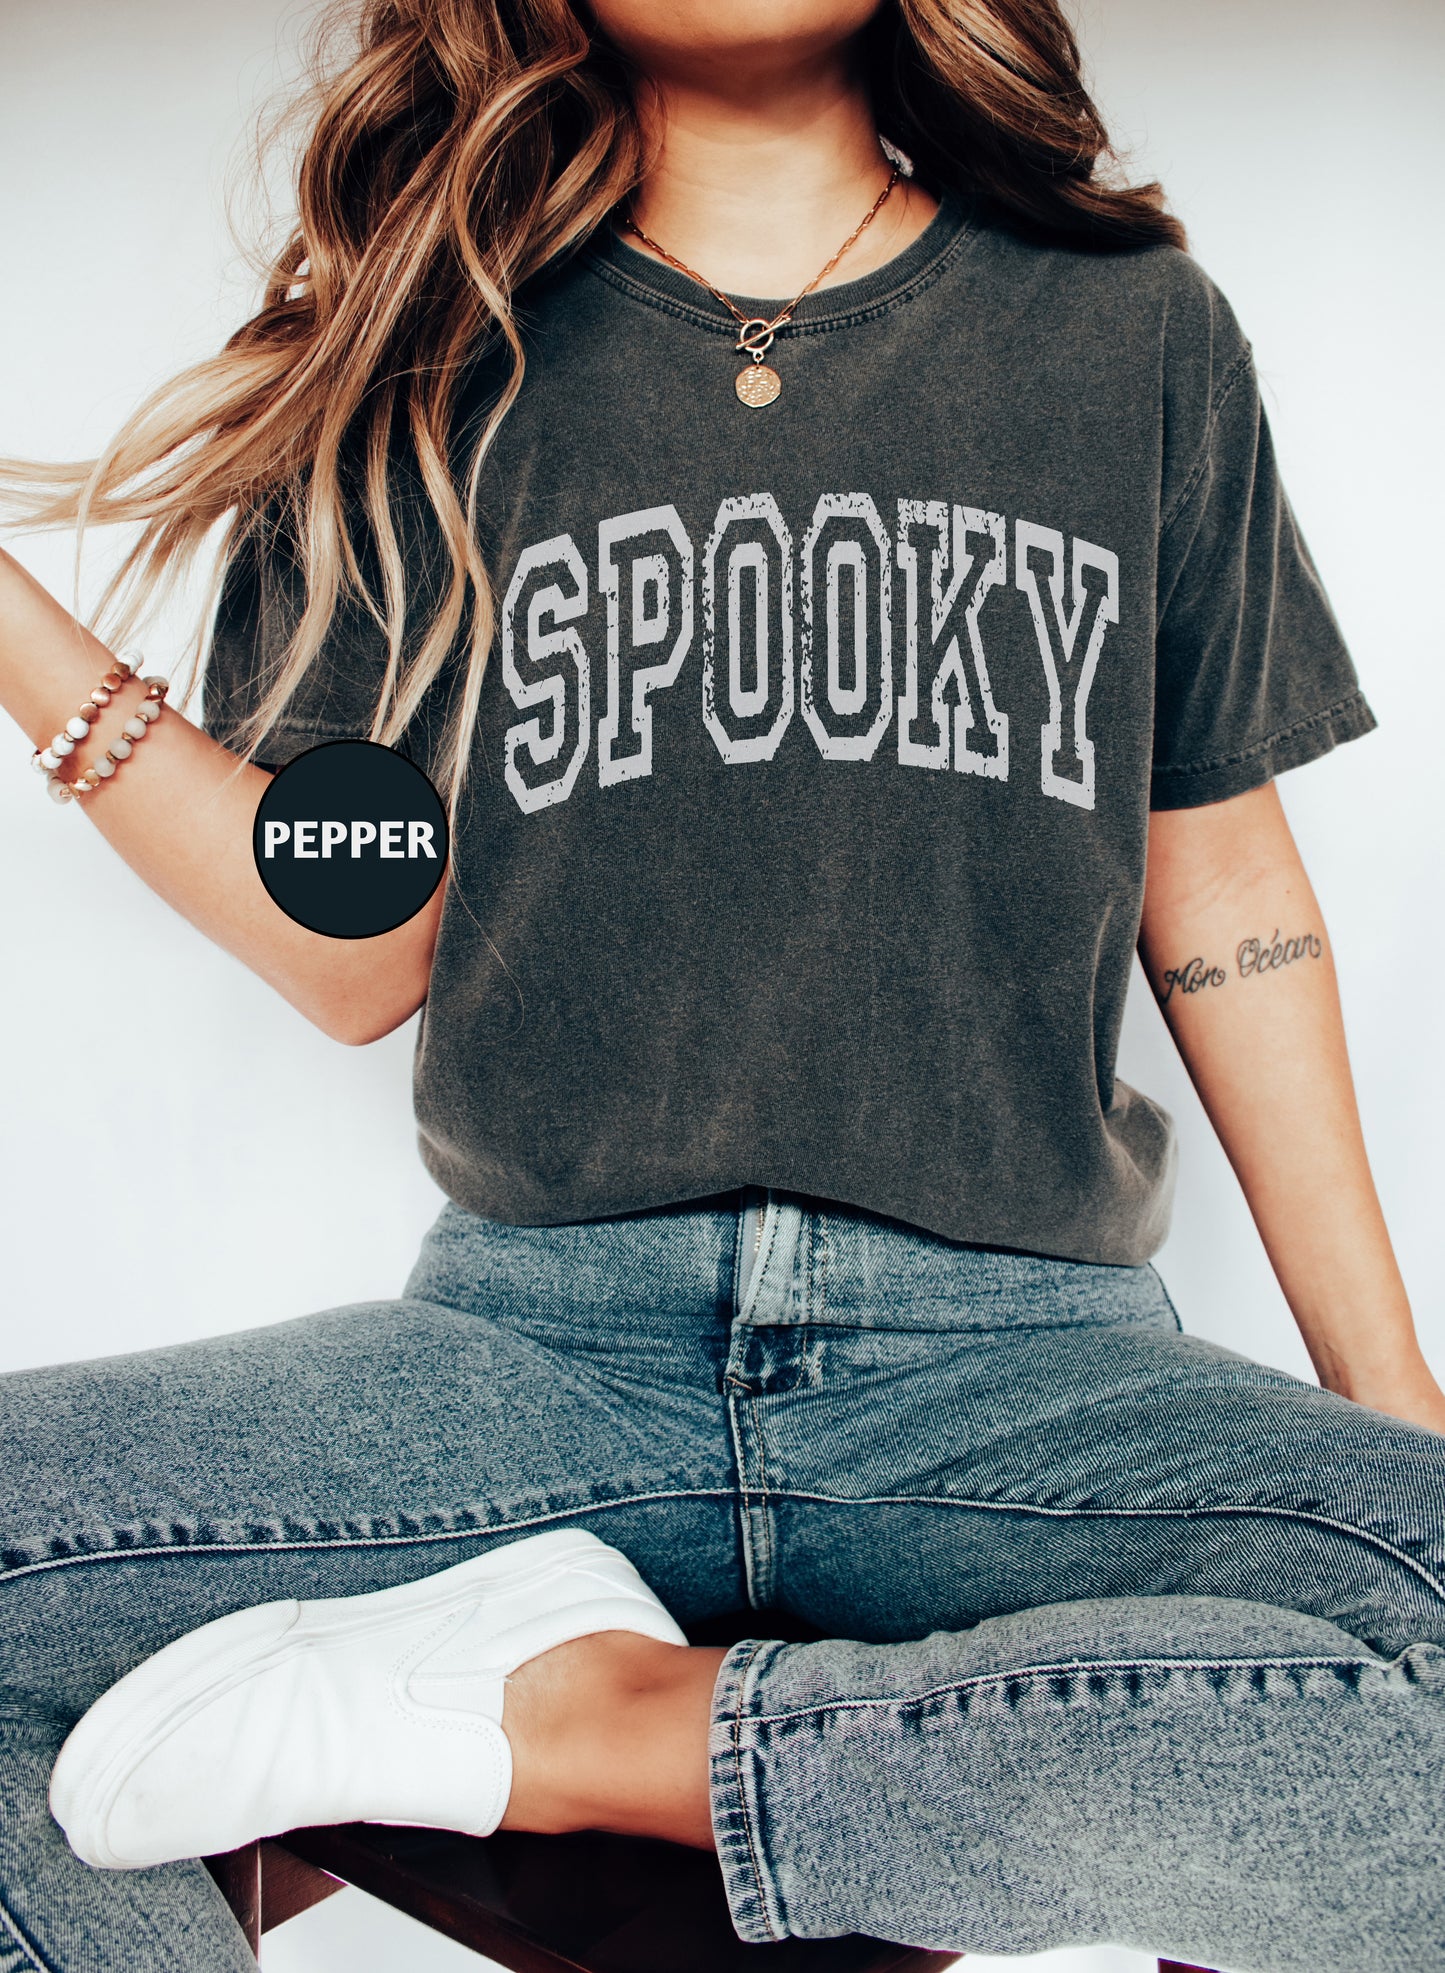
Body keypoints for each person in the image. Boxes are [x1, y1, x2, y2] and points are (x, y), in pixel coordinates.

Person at [2, 1, 1442, 1967]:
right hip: (536, 1356)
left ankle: (599, 1731)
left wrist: (1387, 1416)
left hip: (1023, 1370)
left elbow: (1224, 892)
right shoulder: (433, 362)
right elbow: (355, 960)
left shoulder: (1129, 331)